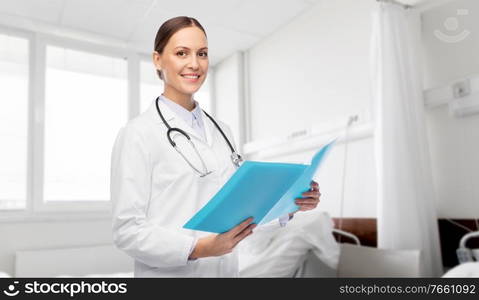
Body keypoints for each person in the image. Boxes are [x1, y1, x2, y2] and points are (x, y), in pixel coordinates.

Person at [110, 16, 321, 277]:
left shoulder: (222, 131)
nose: (194, 64)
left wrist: (290, 206)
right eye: (181, 53)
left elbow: (242, 211)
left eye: (202, 53)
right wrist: (197, 248)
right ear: (157, 60)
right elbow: (127, 230)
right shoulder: (137, 133)